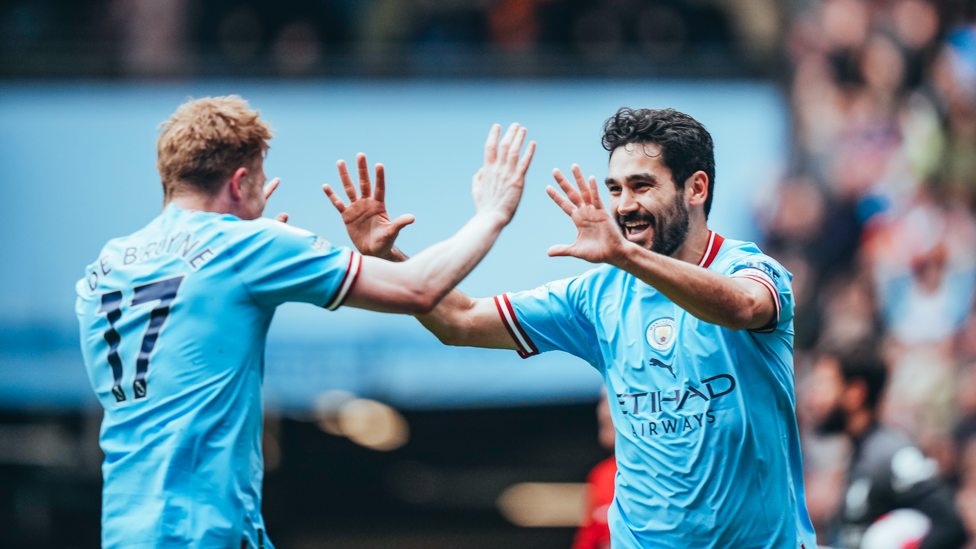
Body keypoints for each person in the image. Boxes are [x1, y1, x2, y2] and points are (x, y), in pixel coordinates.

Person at [326, 106, 817, 547]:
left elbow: (741, 308)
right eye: (615, 189)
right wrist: (388, 259)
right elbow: (459, 321)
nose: (624, 205)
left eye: (642, 186)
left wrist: (624, 256)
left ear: (696, 188)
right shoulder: (595, 295)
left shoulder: (749, 268)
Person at [75, 95, 535, 548]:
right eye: (259, 178)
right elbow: (417, 289)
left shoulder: (105, 267)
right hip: (201, 529)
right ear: (239, 183)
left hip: (127, 528)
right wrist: (493, 213)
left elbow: (191, 334)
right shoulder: (244, 245)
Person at [808, 346, 968, 549]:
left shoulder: (893, 454)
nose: (813, 399)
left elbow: (950, 525)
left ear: (855, 393)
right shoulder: (859, 453)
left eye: (822, 385)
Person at [571, 390, 616, 549]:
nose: (603, 412)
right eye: (603, 400)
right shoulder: (602, 474)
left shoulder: (663, 472)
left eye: (615, 399)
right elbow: (587, 539)